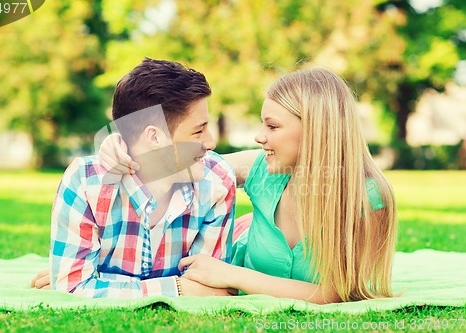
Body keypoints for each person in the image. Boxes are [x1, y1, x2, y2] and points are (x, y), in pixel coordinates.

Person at [100, 67, 398, 304]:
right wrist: (121, 144)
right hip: (234, 248)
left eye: (272, 126)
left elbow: (336, 293)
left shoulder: (368, 198)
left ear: (316, 129)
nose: (259, 136)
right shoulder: (262, 170)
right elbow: (180, 160)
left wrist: (232, 276)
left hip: (230, 270)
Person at [31, 58, 237, 298]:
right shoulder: (86, 183)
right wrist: (178, 288)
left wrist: (100, 281)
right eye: (198, 131)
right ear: (154, 137)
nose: (211, 142)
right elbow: (72, 288)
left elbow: (213, 288)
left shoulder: (217, 181)